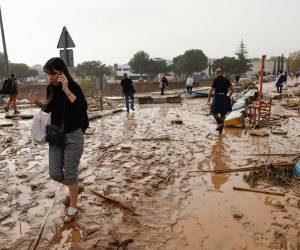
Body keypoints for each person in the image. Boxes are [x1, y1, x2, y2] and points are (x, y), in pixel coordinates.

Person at [28, 57, 89, 223]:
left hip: (73, 135)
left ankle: (73, 207)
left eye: (53, 74)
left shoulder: (73, 86)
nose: (50, 78)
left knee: (70, 173)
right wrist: (37, 103)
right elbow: (49, 108)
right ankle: (75, 186)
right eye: (48, 75)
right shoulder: (51, 88)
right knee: (55, 173)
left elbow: (82, 107)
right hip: (56, 136)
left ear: (62, 73)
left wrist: (66, 89)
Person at [207, 68, 233, 133]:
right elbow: (232, 89)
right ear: (222, 73)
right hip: (224, 97)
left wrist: (208, 99)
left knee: (213, 111)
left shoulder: (215, 80)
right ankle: (220, 132)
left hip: (217, 98)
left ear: (216, 73)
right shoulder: (226, 80)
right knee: (223, 114)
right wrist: (228, 96)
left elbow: (211, 90)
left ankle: (220, 123)